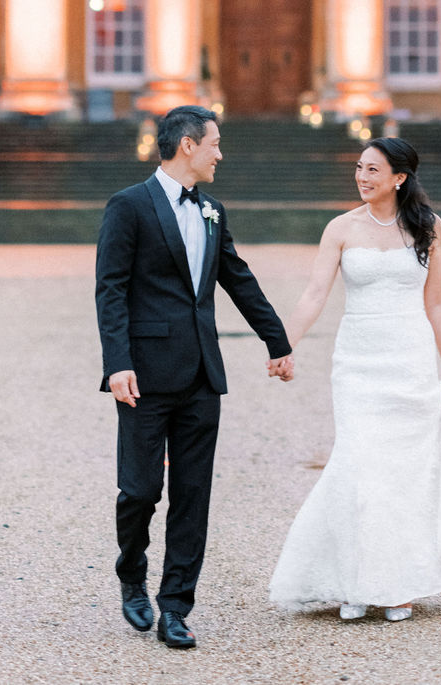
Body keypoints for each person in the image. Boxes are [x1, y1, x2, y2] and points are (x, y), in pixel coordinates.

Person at [269, 136, 441, 619]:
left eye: (373, 170)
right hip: (358, 363)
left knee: (405, 476)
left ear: (399, 178)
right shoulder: (341, 228)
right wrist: (283, 345)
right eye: (359, 168)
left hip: (410, 360)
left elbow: (438, 301)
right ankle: (354, 583)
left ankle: (399, 583)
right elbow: (313, 295)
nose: (362, 177)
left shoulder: (428, 228)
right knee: (359, 467)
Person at [96, 104, 294, 650]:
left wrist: (277, 341)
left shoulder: (213, 211)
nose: (220, 153)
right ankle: (131, 572)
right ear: (188, 145)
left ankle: (176, 606)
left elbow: (237, 276)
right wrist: (117, 362)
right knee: (140, 490)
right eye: (214, 143)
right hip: (143, 376)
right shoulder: (128, 206)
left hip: (203, 375)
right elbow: (110, 288)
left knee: (192, 495)